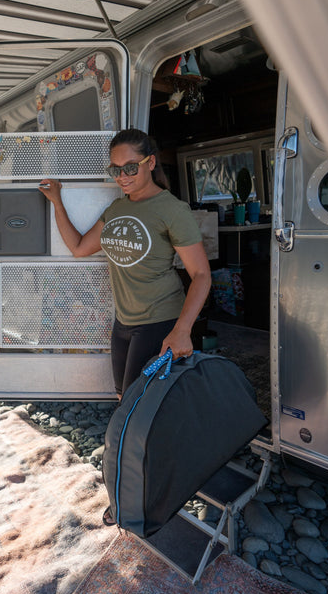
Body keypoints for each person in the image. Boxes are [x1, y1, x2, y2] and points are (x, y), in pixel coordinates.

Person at [39, 128, 211, 397]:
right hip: (124, 322)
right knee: (124, 396)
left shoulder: (173, 210)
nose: (122, 177)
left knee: (141, 403)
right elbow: (80, 248)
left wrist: (182, 329)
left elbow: (201, 274)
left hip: (160, 319)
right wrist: (57, 203)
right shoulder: (117, 209)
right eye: (116, 170)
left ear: (150, 163)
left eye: (131, 168)